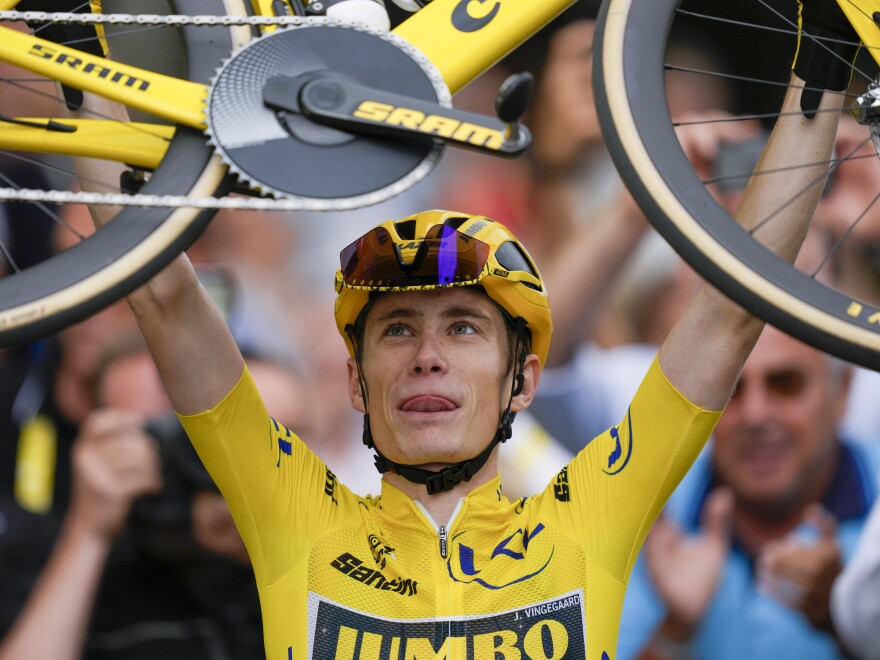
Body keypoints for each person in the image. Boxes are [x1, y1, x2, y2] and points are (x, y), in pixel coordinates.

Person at [74, 2, 854, 658]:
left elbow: (737, 302)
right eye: (396, 330)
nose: (427, 358)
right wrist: (75, 56)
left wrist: (825, 47)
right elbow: (163, 295)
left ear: (525, 381)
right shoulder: (294, 516)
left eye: (466, 330)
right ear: (354, 379)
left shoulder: (589, 518)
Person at [615, 324, 880, 660]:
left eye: (785, 383)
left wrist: (851, 614)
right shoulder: (654, 512)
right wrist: (675, 631)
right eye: (730, 389)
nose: (755, 414)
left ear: (842, 391)